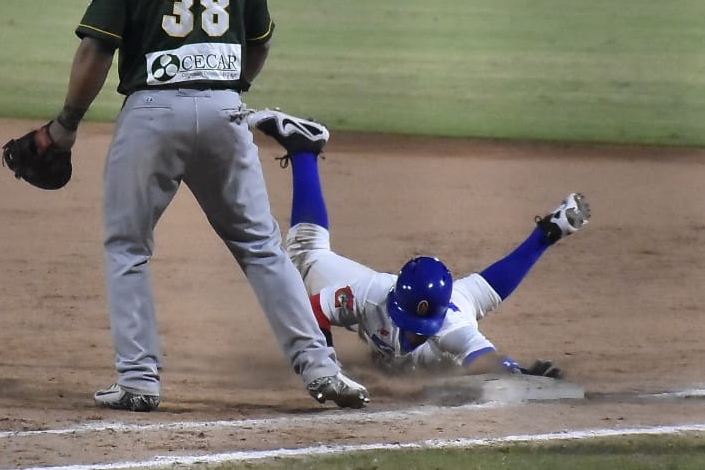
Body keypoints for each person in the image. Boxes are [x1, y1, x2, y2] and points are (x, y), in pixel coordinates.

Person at [30, 0, 369, 411]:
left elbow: (96, 52)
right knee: (263, 249)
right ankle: (322, 369)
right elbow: (258, 43)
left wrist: (65, 125)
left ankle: (139, 381)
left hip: (151, 116)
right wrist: (229, 89)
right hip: (224, 110)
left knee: (128, 247)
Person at [245, 109, 591, 376]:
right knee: (304, 257)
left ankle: (548, 233)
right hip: (428, 296)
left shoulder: (453, 328)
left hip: (455, 302)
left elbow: (486, 359)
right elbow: (317, 309)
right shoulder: (372, 294)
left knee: (479, 300)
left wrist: (517, 372)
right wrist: (326, 361)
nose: (412, 330)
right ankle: (305, 148)